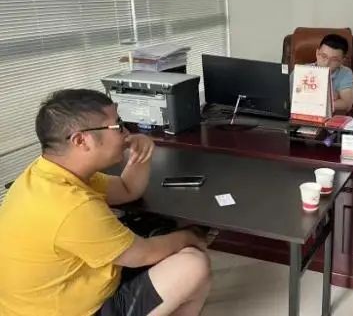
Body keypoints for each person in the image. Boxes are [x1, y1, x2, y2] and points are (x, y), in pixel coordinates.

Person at [0, 89, 211, 316]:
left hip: (65, 291)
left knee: (178, 251)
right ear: (81, 140)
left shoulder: (49, 173)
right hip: (69, 311)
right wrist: (191, 236)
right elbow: (142, 255)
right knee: (192, 265)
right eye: (117, 126)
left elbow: (127, 189)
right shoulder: (71, 205)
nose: (126, 133)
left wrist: (141, 154)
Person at [313, 34, 353, 112]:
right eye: (324, 56)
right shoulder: (299, 71)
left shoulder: (345, 73)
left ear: (342, 61)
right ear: (317, 53)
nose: (327, 63)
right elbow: (293, 102)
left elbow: (347, 104)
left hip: (332, 117)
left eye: (334, 60)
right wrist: (331, 99)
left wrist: (313, 101)